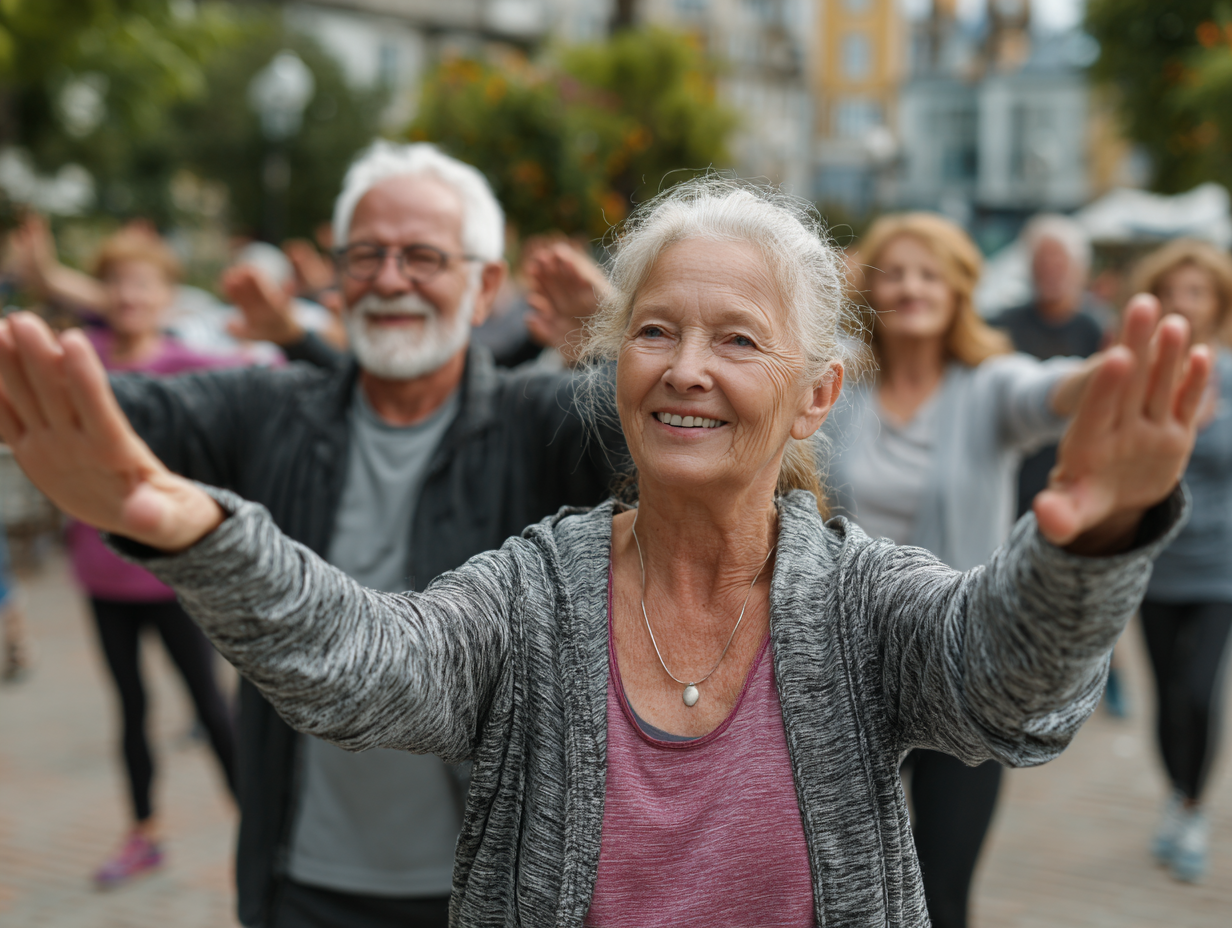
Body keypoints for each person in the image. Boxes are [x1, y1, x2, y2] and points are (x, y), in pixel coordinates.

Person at [0, 178, 1209, 928]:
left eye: (737, 337)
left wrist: (1090, 541)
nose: (684, 367)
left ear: (815, 391)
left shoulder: (860, 596)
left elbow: (1007, 696)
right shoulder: (534, 586)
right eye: (652, 331)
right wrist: (184, 526)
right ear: (612, 365)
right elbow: (366, 666)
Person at [58, 142, 616, 928]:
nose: (389, 279)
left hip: (497, 891)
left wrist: (620, 345)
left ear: (485, 285)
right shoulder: (275, 411)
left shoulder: (541, 425)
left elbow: (683, 460)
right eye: (366, 255)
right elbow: (131, 410)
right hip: (303, 883)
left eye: (422, 256)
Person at [824, 212, 1100, 928]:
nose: (912, 286)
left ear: (958, 289)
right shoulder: (836, 387)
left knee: (942, 893)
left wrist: (1111, 376)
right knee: (840, 893)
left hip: (960, 673)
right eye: (896, 273)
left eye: (929, 272)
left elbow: (1050, 392)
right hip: (846, 673)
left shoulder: (987, 386)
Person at [53, 228, 240, 887]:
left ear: (167, 297)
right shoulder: (84, 357)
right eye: (118, 283)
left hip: (173, 578)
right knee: (129, 708)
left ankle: (259, 826)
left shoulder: (193, 363)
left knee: (211, 707)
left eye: (143, 283)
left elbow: (272, 380)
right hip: (100, 570)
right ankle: (144, 834)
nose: (129, 295)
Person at [988, 215, 1130, 717]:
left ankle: (1105, 673)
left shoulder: (1095, 326)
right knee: (1019, 583)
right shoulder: (1003, 323)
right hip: (1016, 473)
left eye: (1060, 261)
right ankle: (1023, 682)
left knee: (1081, 588)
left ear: (1078, 269)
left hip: (1076, 473)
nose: (1050, 270)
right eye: (1041, 260)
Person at [1128, 238, 1232, 883]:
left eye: (1196, 292)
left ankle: (1193, 807)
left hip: (1221, 565)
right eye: (1171, 292)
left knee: (1199, 687)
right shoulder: (1137, 376)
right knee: (1167, 695)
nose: (1182, 303)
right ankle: (1176, 792)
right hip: (1154, 564)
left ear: (1217, 303)